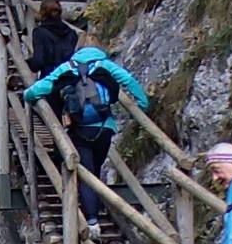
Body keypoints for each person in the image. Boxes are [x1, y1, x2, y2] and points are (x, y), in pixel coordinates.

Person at [20, 44, 150, 233]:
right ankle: (93, 209)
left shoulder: (68, 67)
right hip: (104, 127)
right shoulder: (105, 65)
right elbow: (128, 80)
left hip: (79, 130)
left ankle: (91, 221)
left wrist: (28, 96)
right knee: (95, 171)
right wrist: (143, 105)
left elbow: (39, 88)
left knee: (86, 173)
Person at [29, 0, 80, 79]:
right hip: (69, 78)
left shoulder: (39, 33)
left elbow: (38, 62)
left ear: (42, 13)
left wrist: (30, 63)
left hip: (50, 79)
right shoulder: (71, 33)